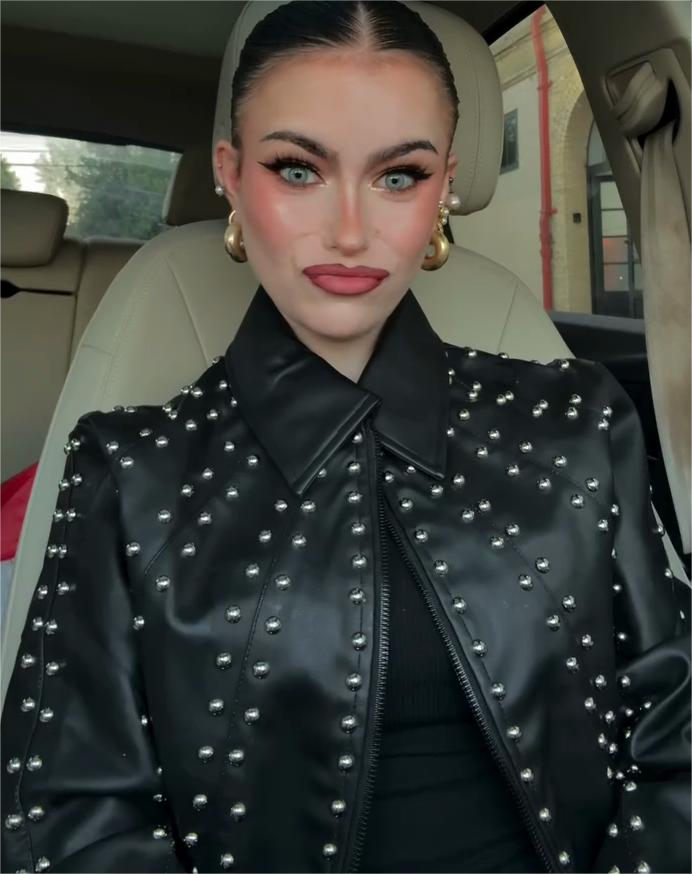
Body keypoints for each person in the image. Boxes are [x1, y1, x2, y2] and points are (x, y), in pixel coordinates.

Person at [2, 1, 692, 872]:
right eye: (297, 169)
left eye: (398, 176)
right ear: (230, 174)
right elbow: (65, 825)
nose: (352, 231)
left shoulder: (575, 419)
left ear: (444, 188)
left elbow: (677, 728)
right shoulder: (128, 471)